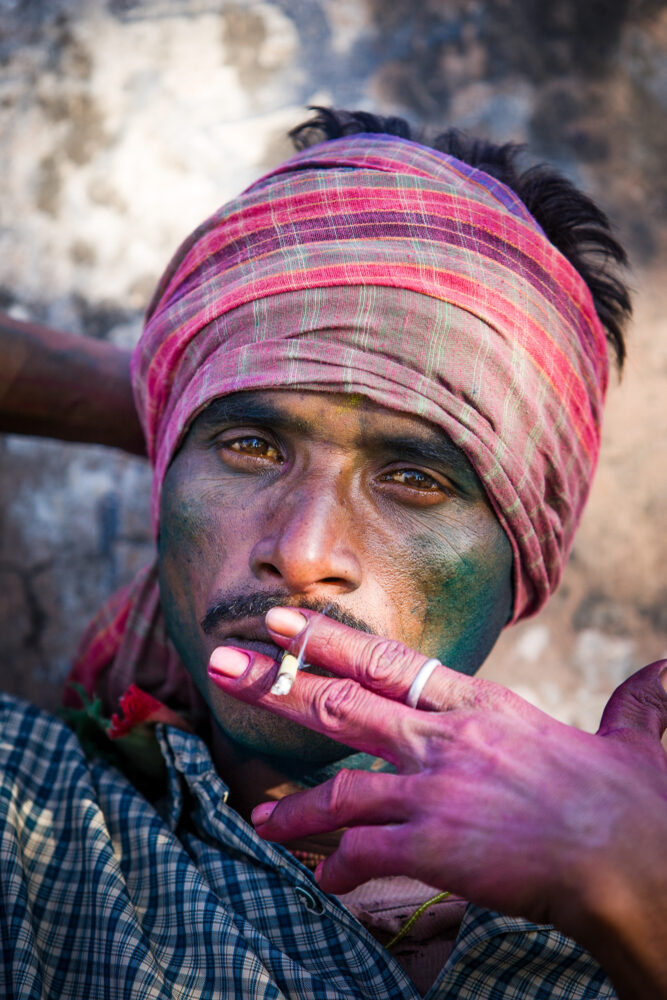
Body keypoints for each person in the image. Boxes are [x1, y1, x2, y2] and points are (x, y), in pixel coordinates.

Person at [0, 108, 665, 1000]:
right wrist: (174, 397)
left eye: (414, 478)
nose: (304, 553)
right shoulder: (36, 821)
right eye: (247, 447)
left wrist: (643, 895)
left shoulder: (626, 893)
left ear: (523, 560)